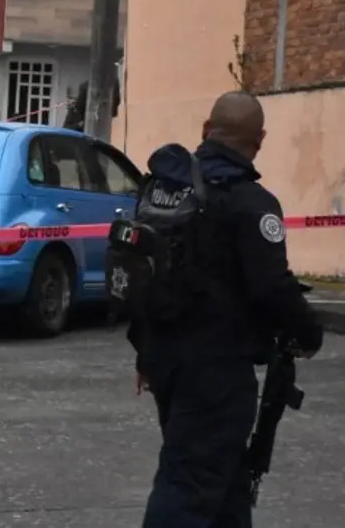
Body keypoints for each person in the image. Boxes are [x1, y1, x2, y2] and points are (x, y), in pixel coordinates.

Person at [119, 91, 324, 528]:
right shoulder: (250, 202)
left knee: (226, 481)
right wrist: (309, 335)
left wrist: (145, 353)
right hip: (216, 370)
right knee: (188, 485)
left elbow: (143, 273)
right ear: (260, 140)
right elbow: (272, 287)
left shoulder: (165, 188)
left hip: (165, 361)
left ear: (205, 130)